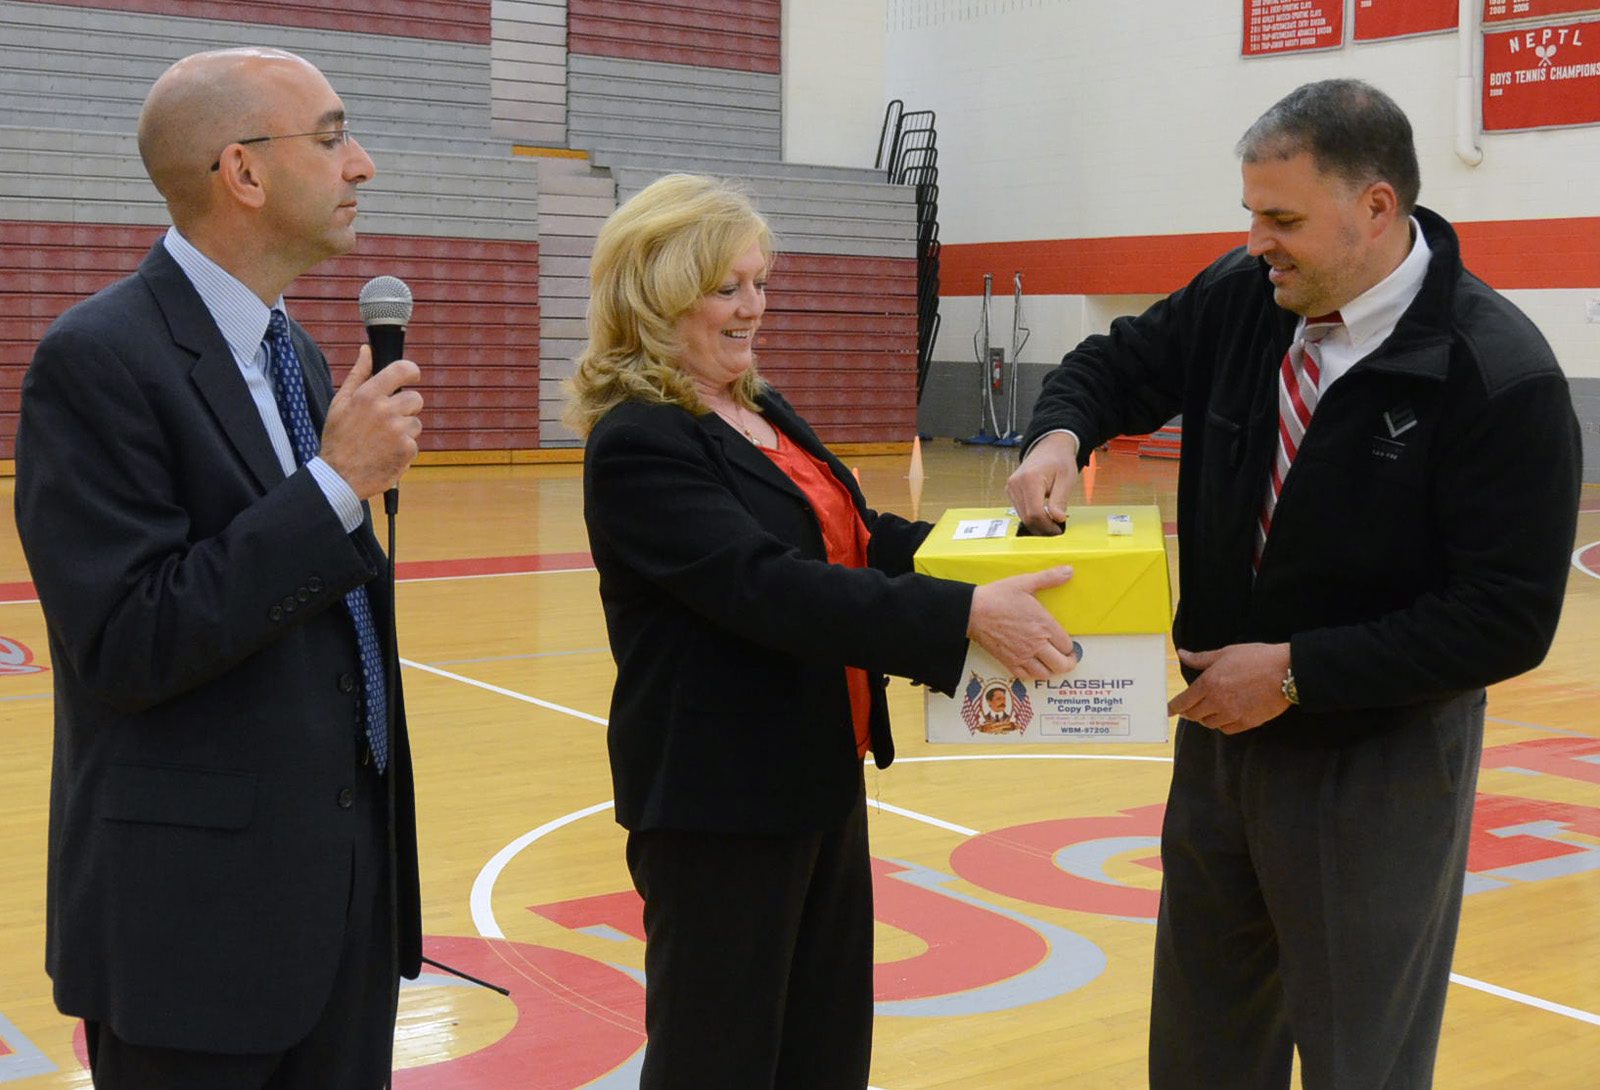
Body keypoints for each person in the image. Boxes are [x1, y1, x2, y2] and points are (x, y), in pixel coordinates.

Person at [1007, 80, 1581, 1089]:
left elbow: (1506, 618)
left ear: (1374, 208)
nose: (1256, 240)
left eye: (1281, 219)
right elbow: (1114, 364)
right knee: (1202, 1043)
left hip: (1377, 759)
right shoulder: (1242, 298)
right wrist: (1059, 431)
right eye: (1249, 214)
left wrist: (1295, 673)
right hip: (1219, 742)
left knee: (1362, 1055)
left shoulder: (1497, 373)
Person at [569, 173, 1077, 1089]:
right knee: (716, 1062)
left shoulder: (754, 405)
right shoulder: (640, 440)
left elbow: (856, 535)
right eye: (727, 287)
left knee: (824, 1051)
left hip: (816, 780)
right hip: (718, 806)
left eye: (759, 282)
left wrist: (986, 550)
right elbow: (770, 588)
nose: (753, 307)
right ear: (657, 296)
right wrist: (965, 616)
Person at [14, 48, 426, 1089]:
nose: (362, 164)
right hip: (193, 936)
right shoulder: (98, 359)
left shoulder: (300, 358)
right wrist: (334, 487)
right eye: (332, 138)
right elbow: (126, 639)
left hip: (337, 910)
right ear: (242, 172)